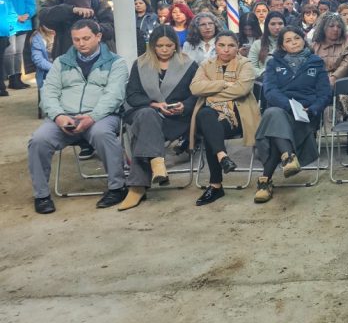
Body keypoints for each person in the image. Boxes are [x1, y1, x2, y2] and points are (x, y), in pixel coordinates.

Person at [29, 20, 129, 213]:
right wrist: (58, 116)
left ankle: (117, 188)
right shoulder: (61, 62)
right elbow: (48, 92)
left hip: (101, 117)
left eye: (86, 38)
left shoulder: (116, 63)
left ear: (98, 37)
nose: (81, 43)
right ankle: (41, 196)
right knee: (38, 140)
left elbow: (114, 95)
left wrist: (92, 117)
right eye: (76, 39)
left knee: (102, 134)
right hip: (65, 117)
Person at [119, 25, 200, 210]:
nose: (164, 50)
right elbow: (132, 95)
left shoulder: (189, 65)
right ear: (152, 46)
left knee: (144, 130)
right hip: (145, 111)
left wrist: (183, 106)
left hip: (175, 119)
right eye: (159, 46)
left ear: (176, 45)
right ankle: (157, 163)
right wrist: (154, 104)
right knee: (148, 115)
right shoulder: (140, 64)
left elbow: (196, 94)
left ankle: (137, 187)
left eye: (169, 45)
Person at [252, 26, 331, 204]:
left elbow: (325, 94)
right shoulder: (273, 63)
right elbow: (270, 91)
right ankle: (287, 157)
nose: (294, 43)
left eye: (296, 38)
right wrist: (290, 106)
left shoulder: (316, 62)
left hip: (306, 114)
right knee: (275, 114)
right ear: (282, 45)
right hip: (282, 109)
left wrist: (312, 109)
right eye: (288, 40)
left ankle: (265, 180)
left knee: (273, 126)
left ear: (304, 40)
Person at [189, 32, 260, 206]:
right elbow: (195, 88)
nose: (226, 50)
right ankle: (223, 157)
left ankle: (215, 185)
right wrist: (223, 83)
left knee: (209, 127)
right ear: (216, 46)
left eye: (231, 45)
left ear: (238, 47)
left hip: (238, 116)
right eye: (221, 45)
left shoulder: (245, 64)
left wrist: (210, 94)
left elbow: (241, 90)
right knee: (206, 116)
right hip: (213, 117)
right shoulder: (206, 64)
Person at [310, 12, 348, 152]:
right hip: (320, 84)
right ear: (323, 28)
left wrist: (334, 77)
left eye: (339, 26)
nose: (336, 29)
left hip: (343, 83)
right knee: (310, 98)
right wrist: (324, 80)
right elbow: (311, 66)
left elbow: (347, 64)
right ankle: (311, 137)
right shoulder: (314, 46)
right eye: (331, 26)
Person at [39, 0, 114, 57]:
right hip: (66, 48)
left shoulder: (97, 0)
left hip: (100, 51)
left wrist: (94, 27)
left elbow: (111, 28)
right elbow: (42, 14)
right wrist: (70, 10)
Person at [1, 0, 37, 90]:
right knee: (10, 51)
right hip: (8, 23)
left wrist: (28, 14)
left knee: (19, 52)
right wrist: (16, 17)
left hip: (23, 23)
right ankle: (11, 78)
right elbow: (3, 5)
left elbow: (31, 1)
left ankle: (18, 78)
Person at [248, 12, 286, 79]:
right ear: (267, 26)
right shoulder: (257, 44)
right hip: (264, 80)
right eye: (273, 24)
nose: (277, 27)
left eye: (280, 24)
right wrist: (266, 73)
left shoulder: (291, 43)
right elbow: (251, 68)